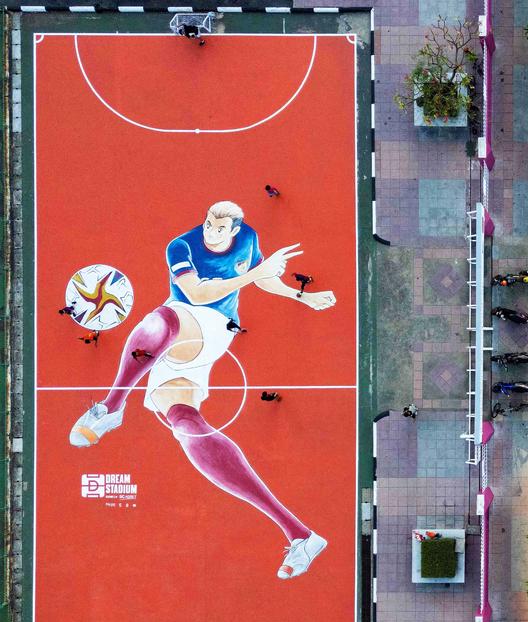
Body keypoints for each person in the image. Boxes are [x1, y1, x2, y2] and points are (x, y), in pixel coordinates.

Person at [68, 201, 337, 580]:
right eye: (209, 223)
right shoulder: (181, 246)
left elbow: (259, 278)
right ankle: (301, 535)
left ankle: (111, 408)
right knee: (186, 424)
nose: (211, 231)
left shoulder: (248, 239)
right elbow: (195, 293)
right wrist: (256, 273)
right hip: (186, 321)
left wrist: (300, 296)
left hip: (214, 326)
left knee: (160, 320)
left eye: (220, 227)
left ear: (235, 230)